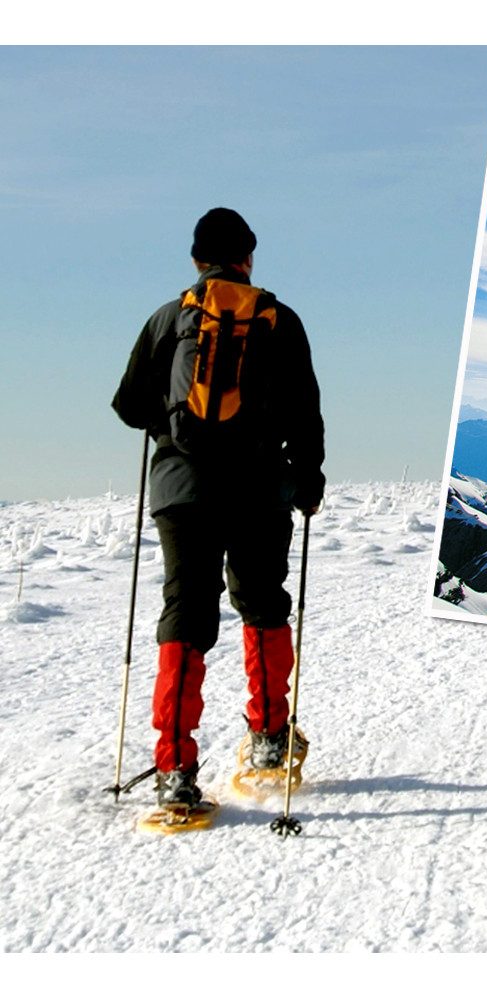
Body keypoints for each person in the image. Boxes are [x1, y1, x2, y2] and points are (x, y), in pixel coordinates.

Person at [112, 208, 325, 808]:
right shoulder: (279, 320)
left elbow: (128, 405)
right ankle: (267, 737)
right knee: (261, 604)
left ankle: (174, 770)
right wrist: (307, 479)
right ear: (247, 257)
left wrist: (169, 424)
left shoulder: (169, 318)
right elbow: (304, 411)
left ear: (196, 259)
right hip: (258, 491)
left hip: (181, 491)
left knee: (186, 613)